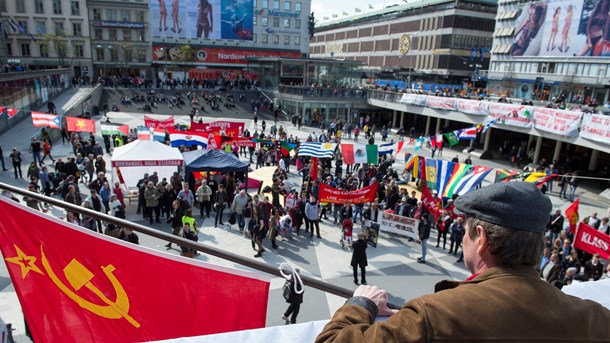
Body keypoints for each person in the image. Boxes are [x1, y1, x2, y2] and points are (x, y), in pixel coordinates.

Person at [315, 182, 610, 342]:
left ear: (480, 238)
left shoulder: (434, 315)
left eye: (466, 230)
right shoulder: (595, 319)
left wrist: (360, 305)